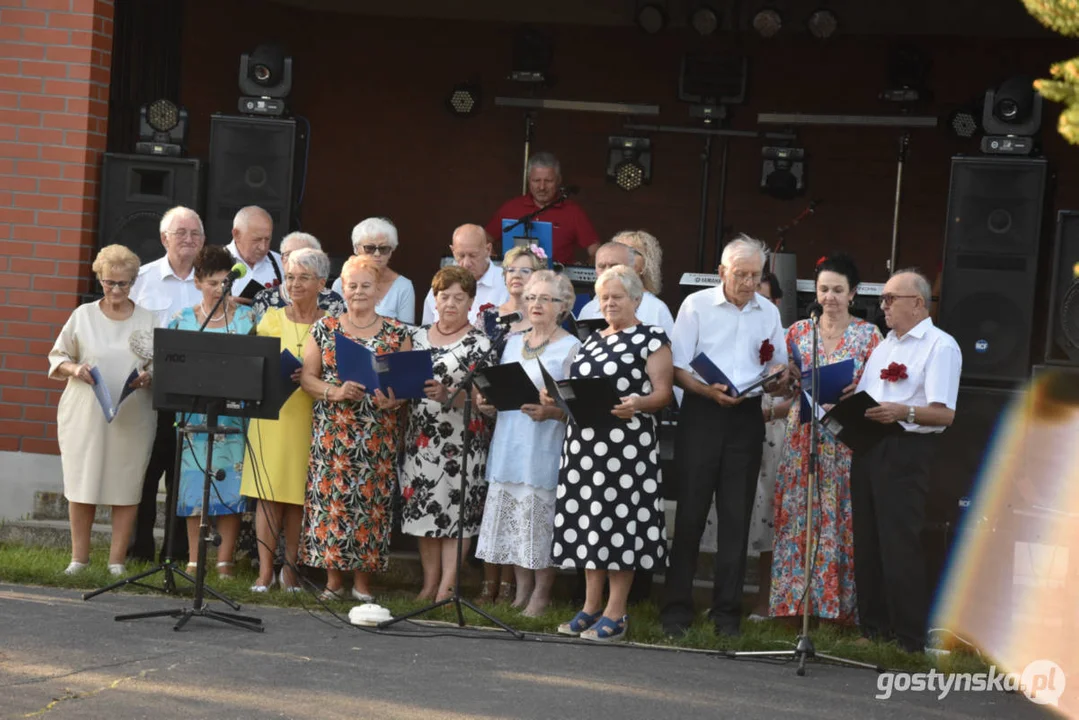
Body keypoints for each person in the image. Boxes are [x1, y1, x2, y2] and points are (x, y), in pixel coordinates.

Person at [661, 234, 790, 638]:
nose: (749, 282)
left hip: (747, 415)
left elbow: (779, 367)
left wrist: (776, 381)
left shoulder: (767, 311)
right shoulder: (696, 305)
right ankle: (677, 611)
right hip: (702, 412)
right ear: (721, 272)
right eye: (741, 274)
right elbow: (677, 367)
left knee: (737, 516)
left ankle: (726, 615)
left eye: (756, 275)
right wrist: (704, 390)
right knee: (691, 514)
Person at [545, 265, 674, 642]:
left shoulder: (651, 338)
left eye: (617, 296)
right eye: (604, 298)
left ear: (636, 299)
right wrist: (557, 396)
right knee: (589, 523)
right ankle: (590, 606)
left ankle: (616, 612)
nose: (610, 303)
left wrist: (639, 403)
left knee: (619, 525)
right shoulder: (592, 340)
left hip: (626, 448)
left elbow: (663, 394)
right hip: (584, 446)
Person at [850, 269, 961, 653]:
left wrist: (903, 412)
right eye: (882, 299)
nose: (883, 307)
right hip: (870, 446)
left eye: (890, 299)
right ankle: (873, 627)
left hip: (906, 449)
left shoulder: (940, 346)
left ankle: (909, 637)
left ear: (918, 303)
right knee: (867, 539)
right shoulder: (885, 346)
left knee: (899, 542)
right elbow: (869, 395)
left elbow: (944, 414)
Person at [769, 254, 883, 625]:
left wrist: (858, 390)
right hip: (803, 435)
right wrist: (784, 379)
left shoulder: (869, 335)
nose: (830, 297)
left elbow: (880, 390)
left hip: (844, 438)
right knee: (800, 517)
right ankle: (796, 605)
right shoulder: (798, 332)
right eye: (823, 289)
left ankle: (838, 609)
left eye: (838, 290)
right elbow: (782, 387)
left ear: (853, 293)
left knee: (839, 519)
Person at [299, 254, 409, 601]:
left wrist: (395, 399)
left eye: (366, 286)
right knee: (333, 505)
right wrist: (335, 391)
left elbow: (407, 384)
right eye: (352, 286)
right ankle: (333, 581)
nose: (359, 292)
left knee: (369, 506)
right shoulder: (325, 327)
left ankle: (363, 584)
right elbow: (306, 378)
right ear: (341, 288)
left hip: (377, 433)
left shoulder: (396, 331)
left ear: (379, 290)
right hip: (334, 433)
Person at [475, 271, 580, 616]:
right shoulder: (512, 341)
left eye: (546, 299)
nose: (536, 304)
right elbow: (506, 387)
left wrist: (550, 411)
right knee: (515, 523)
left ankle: (541, 595)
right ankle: (521, 592)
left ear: (563, 306)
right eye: (532, 297)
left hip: (543, 444)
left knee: (538, 522)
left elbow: (574, 405)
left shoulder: (571, 347)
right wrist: (489, 403)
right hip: (509, 440)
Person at [48, 245, 156, 576]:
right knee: (83, 481)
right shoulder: (83, 315)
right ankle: (78, 559)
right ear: (100, 279)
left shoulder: (148, 319)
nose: (116, 290)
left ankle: (116, 562)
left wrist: (150, 376)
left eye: (123, 284)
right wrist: (74, 369)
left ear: (134, 282)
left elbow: (161, 366)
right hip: (85, 411)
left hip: (133, 413)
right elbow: (58, 355)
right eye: (109, 283)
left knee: (126, 483)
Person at [699, 270, 790, 619]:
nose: (755, 299)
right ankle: (718, 595)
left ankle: (763, 600)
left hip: (772, 428)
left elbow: (789, 386)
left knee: (767, 514)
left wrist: (773, 400)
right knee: (731, 513)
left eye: (764, 297)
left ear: (775, 303)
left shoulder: (781, 330)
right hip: (733, 420)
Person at [240, 248, 332, 593]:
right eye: (290, 277)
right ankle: (265, 572)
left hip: (309, 416)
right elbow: (253, 367)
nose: (294, 284)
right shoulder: (269, 319)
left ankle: (290, 570)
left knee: (298, 498)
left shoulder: (329, 324)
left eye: (303, 277)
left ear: (321, 283)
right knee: (267, 495)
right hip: (272, 417)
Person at [401, 266, 493, 602]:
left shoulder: (481, 343)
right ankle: (429, 583)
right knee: (424, 510)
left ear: (471, 302)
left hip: (461, 442)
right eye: (444, 296)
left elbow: (487, 398)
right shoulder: (418, 336)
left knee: (456, 513)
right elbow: (402, 381)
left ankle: (448, 586)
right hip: (421, 439)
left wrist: (451, 395)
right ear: (434, 299)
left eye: (459, 297)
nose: (450, 303)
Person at [169, 245, 257, 577]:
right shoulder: (183, 320)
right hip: (194, 415)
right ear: (197, 283)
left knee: (230, 485)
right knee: (195, 486)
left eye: (225, 283)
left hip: (233, 416)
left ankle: (224, 561)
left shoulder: (248, 318)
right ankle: (194, 559)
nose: (220, 289)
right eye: (212, 283)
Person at [127, 205, 204, 563]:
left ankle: (173, 553)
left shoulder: (209, 283)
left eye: (195, 234)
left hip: (190, 395)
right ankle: (137, 549)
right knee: (143, 472)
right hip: (147, 393)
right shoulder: (141, 279)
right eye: (181, 233)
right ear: (163, 239)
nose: (189, 240)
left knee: (181, 476)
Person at [472, 243, 547, 605]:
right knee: (495, 497)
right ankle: (492, 581)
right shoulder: (490, 316)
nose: (516, 277)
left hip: (531, 422)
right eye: (511, 271)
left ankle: (515, 585)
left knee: (523, 495)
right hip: (493, 414)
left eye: (525, 270)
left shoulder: (546, 318)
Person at [485, 152, 600, 265]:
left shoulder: (573, 211)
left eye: (548, 181)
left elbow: (596, 251)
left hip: (557, 279)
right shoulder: (511, 207)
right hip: (516, 278)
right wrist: (494, 262)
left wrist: (591, 265)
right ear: (529, 180)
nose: (542, 187)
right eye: (536, 181)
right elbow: (484, 239)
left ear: (559, 180)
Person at [577, 239, 674, 336]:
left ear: (632, 268)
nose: (607, 271)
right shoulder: (588, 309)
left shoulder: (656, 309)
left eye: (614, 265)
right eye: (601, 266)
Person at [330, 217, 416, 324]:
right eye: (369, 248)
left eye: (383, 248)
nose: (377, 254)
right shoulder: (340, 284)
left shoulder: (404, 287)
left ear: (391, 251)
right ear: (356, 249)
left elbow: (407, 332)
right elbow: (331, 327)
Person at [421, 224, 510, 325]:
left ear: (488, 250)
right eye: (461, 255)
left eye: (473, 255)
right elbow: (426, 331)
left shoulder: (507, 283)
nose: (467, 263)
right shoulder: (442, 284)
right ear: (452, 251)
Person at [252, 232, 345, 318]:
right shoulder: (264, 299)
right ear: (282, 260)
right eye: (288, 254)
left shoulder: (333, 300)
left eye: (303, 255)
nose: (293, 260)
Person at [226, 206, 282, 302]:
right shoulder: (215, 262)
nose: (263, 247)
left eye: (267, 239)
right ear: (236, 234)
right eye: (257, 240)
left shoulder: (281, 263)